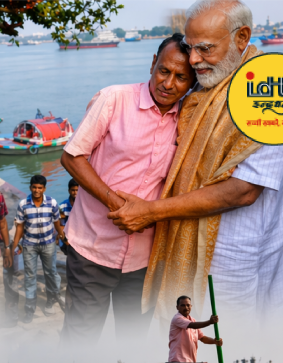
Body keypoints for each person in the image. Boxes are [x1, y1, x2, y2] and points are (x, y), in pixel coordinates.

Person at [111, 0, 283, 334]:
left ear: (241, 38)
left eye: (205, 49)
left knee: (230, 349)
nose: (194, 60)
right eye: (190, 47)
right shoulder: (208, 83)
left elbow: (243, 191)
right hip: (190, 247)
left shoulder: (271, 97)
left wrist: (152, 211)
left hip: (235, 258)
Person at [60, 34, 196, 344]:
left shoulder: (188, 120)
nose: (169, 83)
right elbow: (71, 156)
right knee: (79, 340)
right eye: (164, 71)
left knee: (132, 344)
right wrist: (116, 204)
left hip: (144, 259)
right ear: (152, 64)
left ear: (191, 83)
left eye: (181, 77)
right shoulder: (113, 99)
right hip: (92, 250)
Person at [11, 175, 66, 322]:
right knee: (30, 277)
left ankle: (51, 302)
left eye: (40, 188)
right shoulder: (23, 204)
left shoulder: (52, 203)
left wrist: (62, 237)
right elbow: (20, 227)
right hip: (29, 245)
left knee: (51, 273)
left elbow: (56, 222)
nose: (37, 190)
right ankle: (30, 309)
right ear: (30, 188)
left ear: (44, 189)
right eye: (34, 187)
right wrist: (14, 246)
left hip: (48, 244)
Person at [168, 296, 222, 363]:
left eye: (188, 305)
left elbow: (202, 338)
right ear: (177, 307)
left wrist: (214, 341)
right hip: (178, 361)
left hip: (191, 362)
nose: (186, 308)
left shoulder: (193, 320)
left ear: (191, 306)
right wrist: (210, 322)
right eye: (183, 305)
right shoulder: (177, 318)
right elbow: (193, 325)